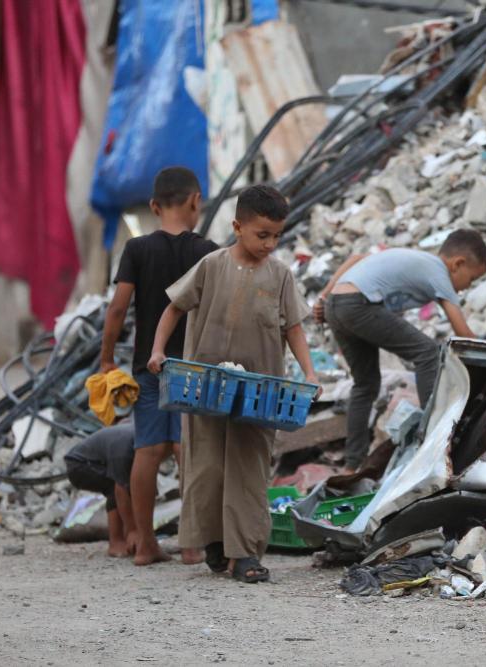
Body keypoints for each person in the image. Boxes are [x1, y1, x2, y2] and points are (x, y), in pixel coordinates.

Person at [148, 184, 318, 583]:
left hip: (259, 392)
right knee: (206, 466)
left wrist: (309, 373)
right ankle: (212, 543)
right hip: (204, 386)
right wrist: (158, 351)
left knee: (248, 468)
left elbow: (293, 328)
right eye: (263, 234)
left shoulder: (279, 275)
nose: (270, 243)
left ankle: (244, 555)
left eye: (277, 235)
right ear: (237, 226)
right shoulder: (211, 265)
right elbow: (173, 307)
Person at [99, 166, 218, 566]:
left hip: (148, 365)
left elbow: (117, 309)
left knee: (147, 451)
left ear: (153, 206)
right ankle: (190, 545)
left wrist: (106, 358)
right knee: (188, 451)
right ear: (195, 201)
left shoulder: (136, 250)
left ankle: (146, 545)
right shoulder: (208, 252)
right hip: (193, 367)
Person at [314, 230, 486, 472]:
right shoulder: (439, 271)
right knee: (428, 353)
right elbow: (463, 334)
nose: (463, 290)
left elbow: (355, 259)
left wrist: (324, 297)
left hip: (336, 306)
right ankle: (433, 438)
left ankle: (351, 466)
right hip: (358, 305)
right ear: (457, 264)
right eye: (470, 280)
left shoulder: (415, 260)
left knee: (365, 384)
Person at [64, 422, 137, 558]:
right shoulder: (125, 447)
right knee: (115, 486)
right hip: (78, 463)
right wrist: (133, 529)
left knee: (130, 485)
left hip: (99, 459)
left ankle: (131, 539)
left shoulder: (140, 437)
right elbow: (120, 487)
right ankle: (116, 542)